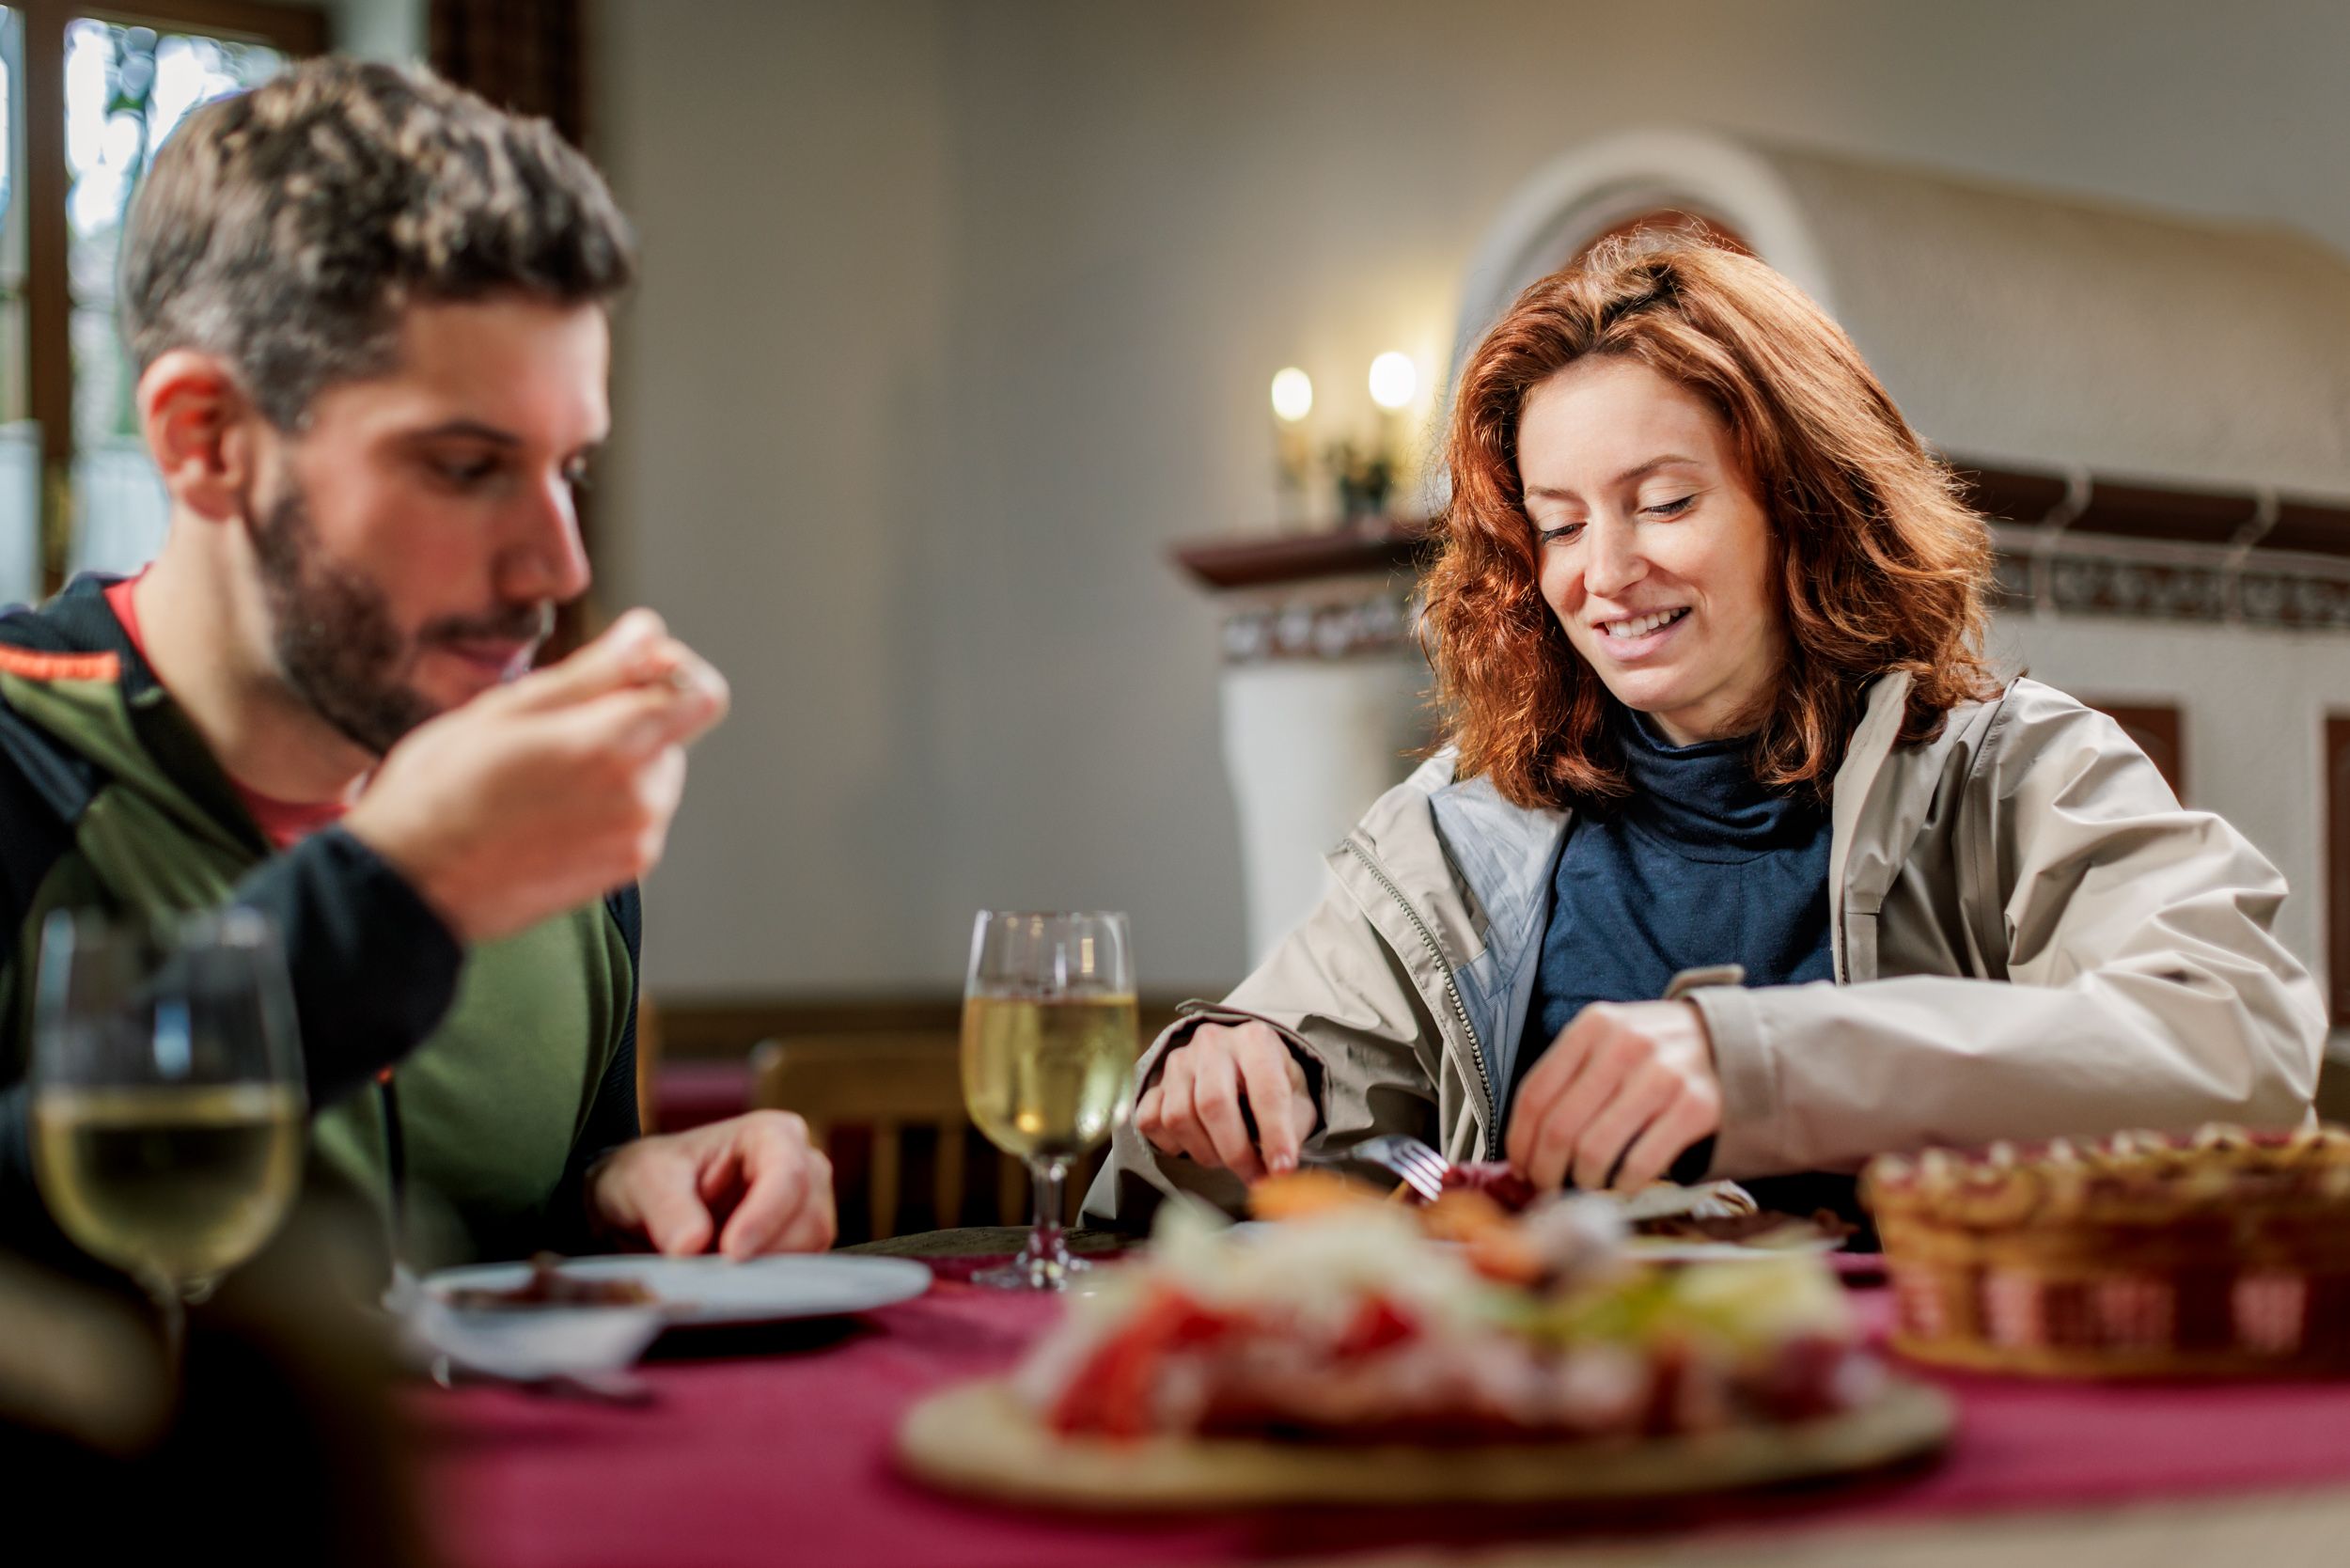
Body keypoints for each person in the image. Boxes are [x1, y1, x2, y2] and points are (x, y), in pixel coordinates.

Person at [1089, 236, 2326, 1230]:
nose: (1605, 573)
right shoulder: (1454, 844)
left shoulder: (2012, 773)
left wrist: (1760, 1066)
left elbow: (2246, 1039)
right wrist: (1218, 1070)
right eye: (1559, 525)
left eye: (1664, 502)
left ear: (1808, 505)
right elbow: (1162, 1198)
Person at [0, 58, 833, 1269]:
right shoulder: (20, 760)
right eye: (463, 467)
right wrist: (394, 897)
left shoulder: (540, 814)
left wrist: (612, 1185)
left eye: (569, 469)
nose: (556, 566)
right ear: (205, 441)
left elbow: (486, 1263)